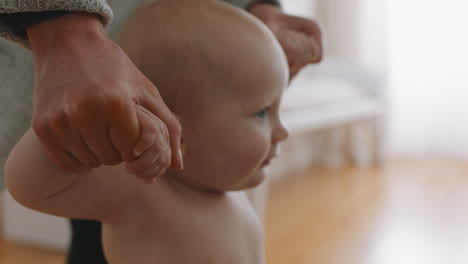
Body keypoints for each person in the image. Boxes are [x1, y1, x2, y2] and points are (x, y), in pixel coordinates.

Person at [1, 0, 321, 263]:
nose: (282, 132)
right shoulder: (140, 194)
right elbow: (28, 186)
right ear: (175, 129)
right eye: (262, 112)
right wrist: (84, 123)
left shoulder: (222, 183)